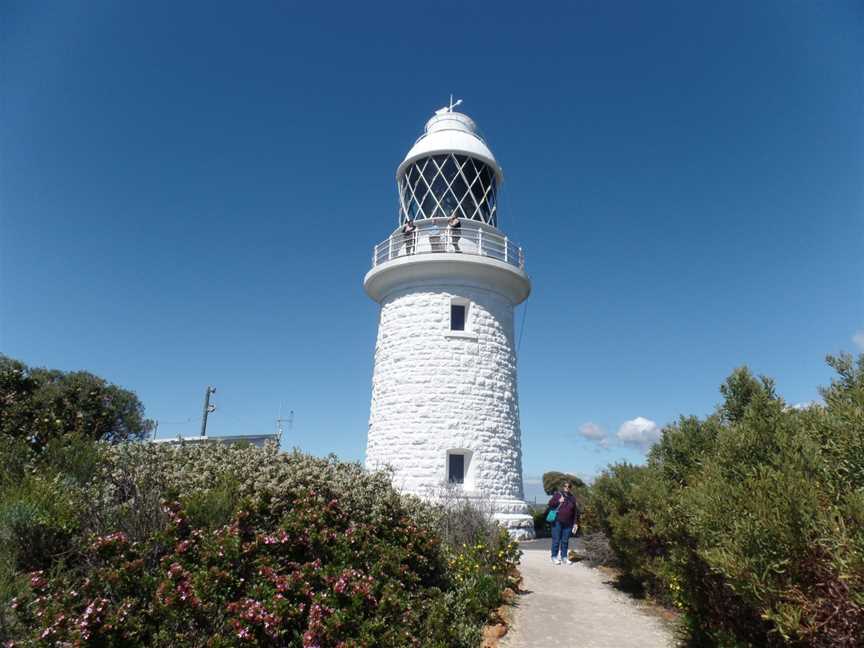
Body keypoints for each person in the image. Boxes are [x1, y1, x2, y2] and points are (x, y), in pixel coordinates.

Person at [547, 481, 581, 565]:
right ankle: (554, 556)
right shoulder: (558, 495)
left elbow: (575, 512)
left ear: (570, 488)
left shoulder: (572, 498)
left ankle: (564, 557)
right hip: (557, 521)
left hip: (568, 523)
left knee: (565, 541)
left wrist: (575, 523)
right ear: (563, 487)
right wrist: (558, 501)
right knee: (556, 540)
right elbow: (550, 504)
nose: (567, 487)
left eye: (569, 486)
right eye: (565, 486)